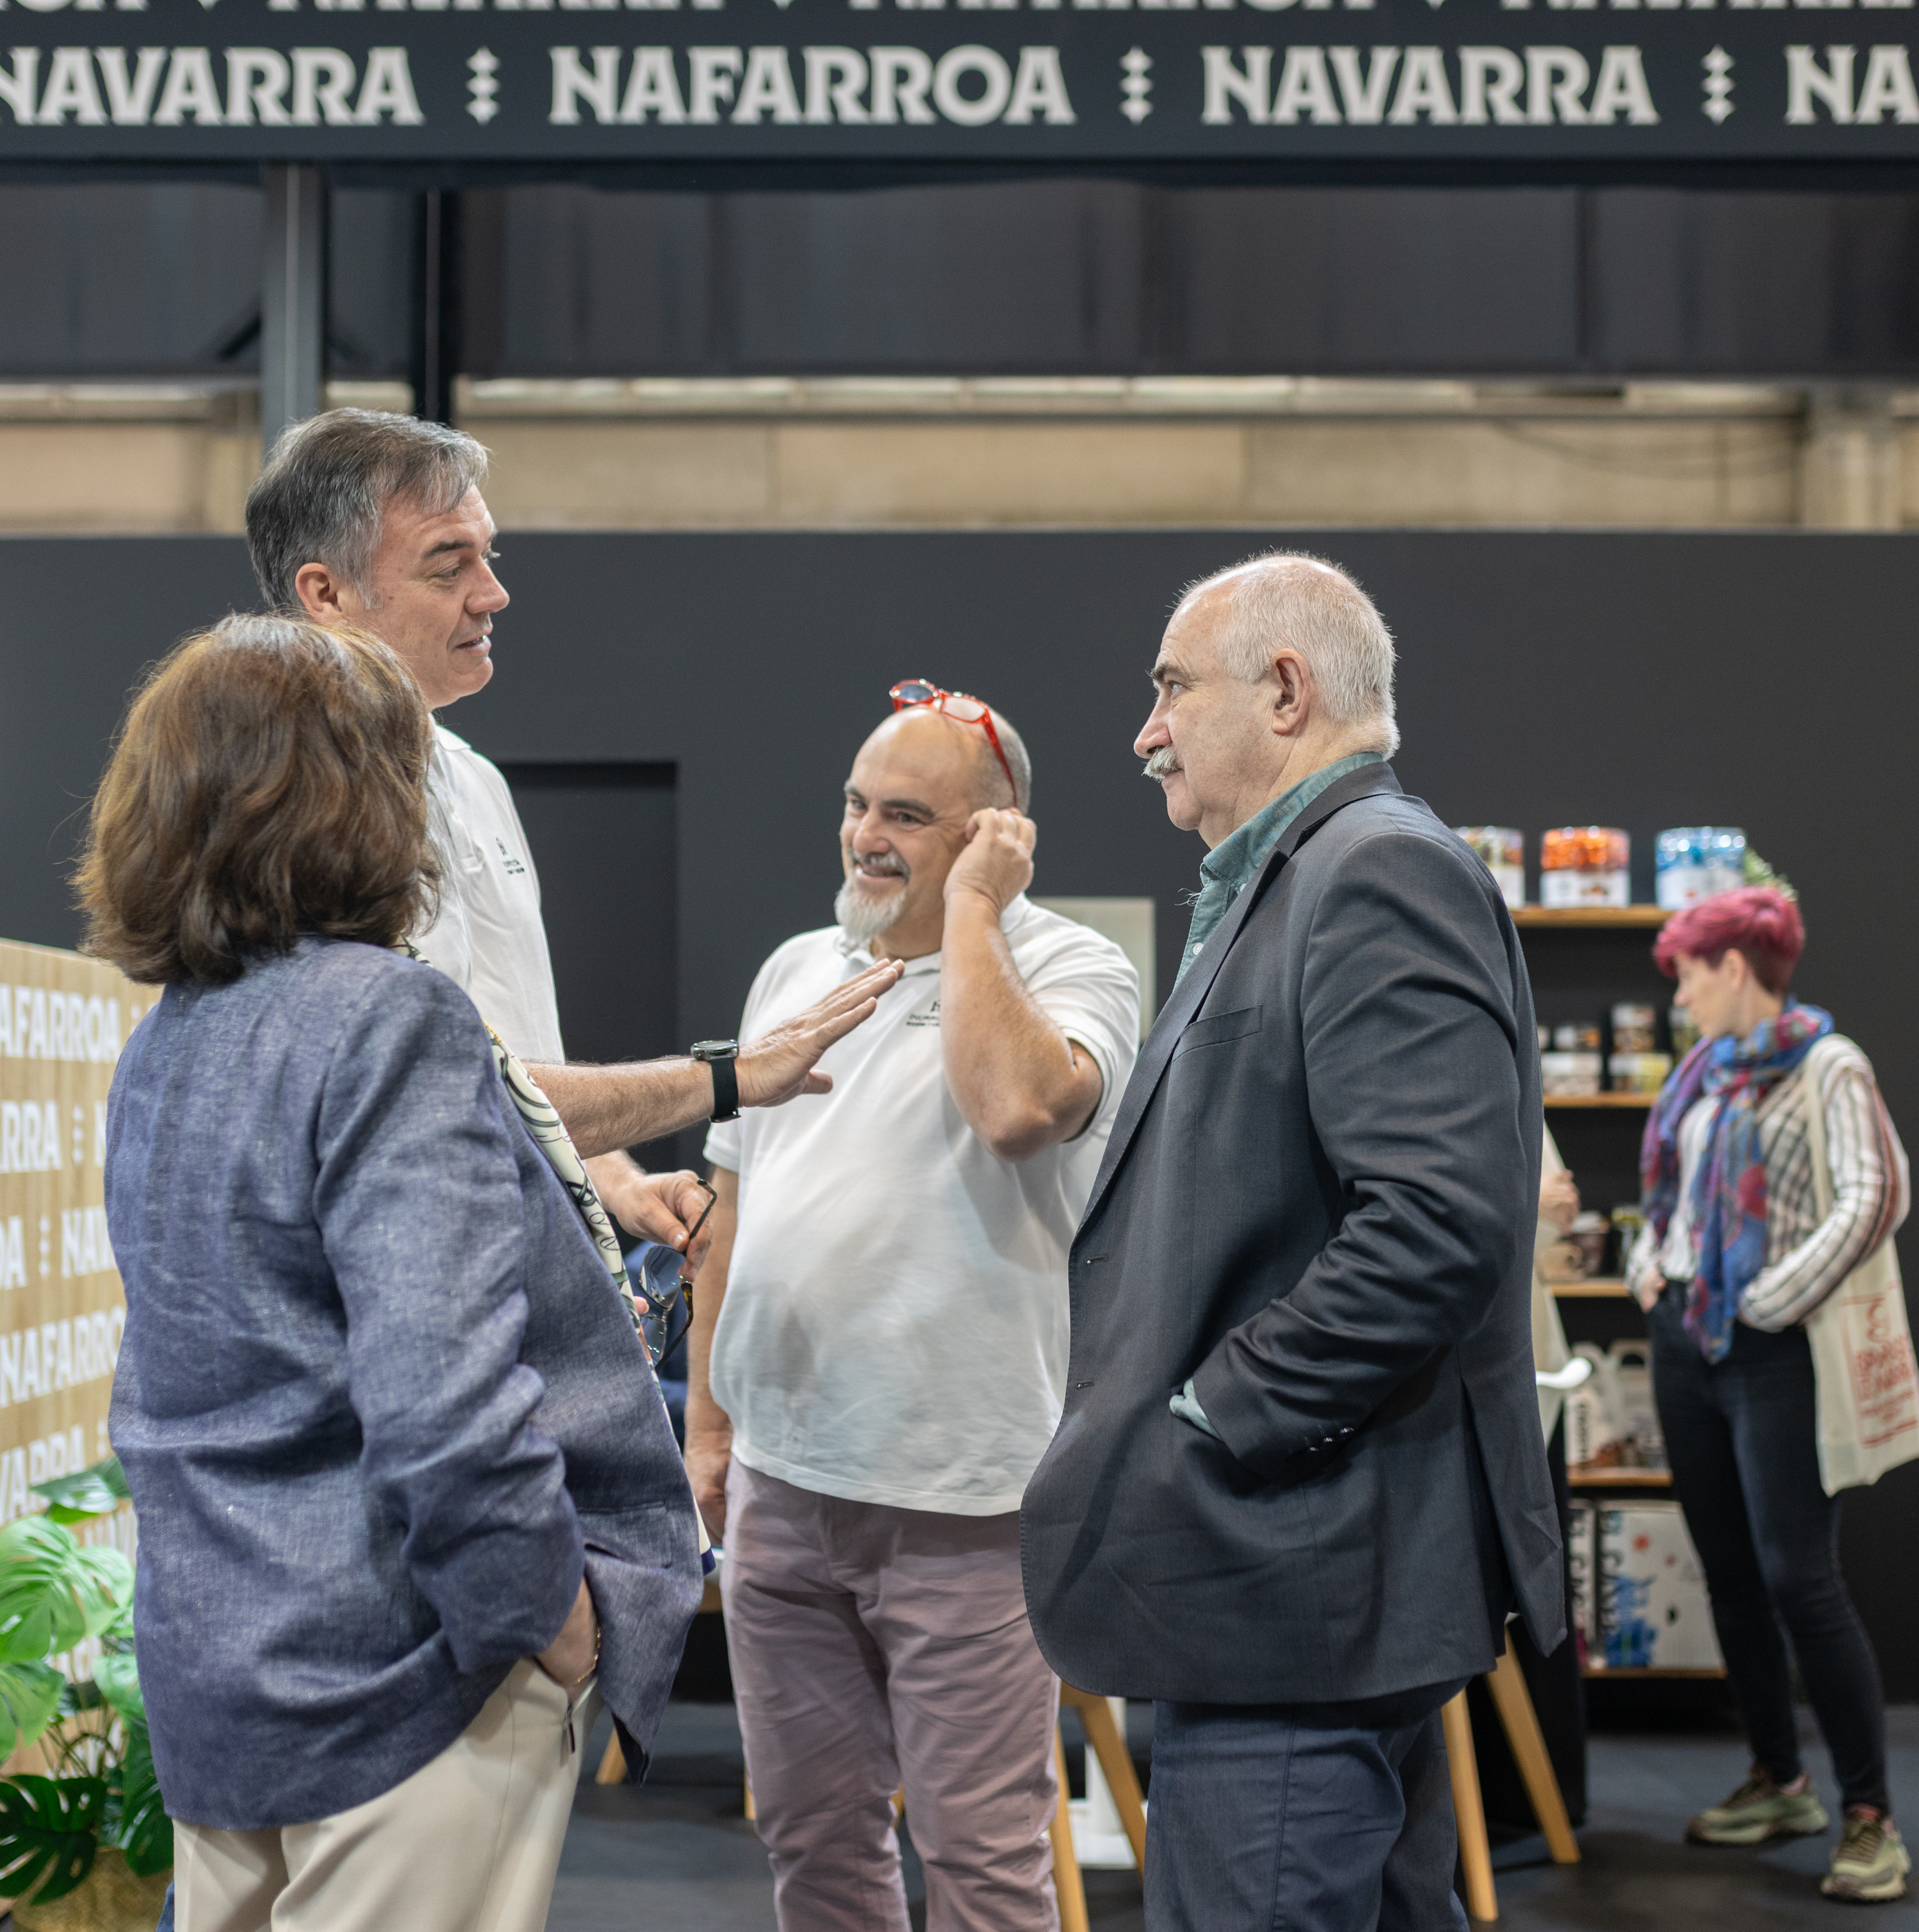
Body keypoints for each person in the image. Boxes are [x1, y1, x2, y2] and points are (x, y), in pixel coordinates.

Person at [81, 613, 704, 1932]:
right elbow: (443, 1399)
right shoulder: (389, 1015)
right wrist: (555, 1623)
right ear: (358, 800)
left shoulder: (171, 1036)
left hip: (220, 1670)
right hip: (409, 1677)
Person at [1021, 553, 1566, 1932]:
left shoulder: (1373, 872)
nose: (1145, 730)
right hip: (1300, 1586)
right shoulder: (1309, 874)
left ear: (1284, 687)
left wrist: (1220, 1413)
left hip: (1292, 1585)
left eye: (1168, 687)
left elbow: (1438, 1221)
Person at [683, 685, 1142, 1932]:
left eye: (907, 814)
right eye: (854, 803)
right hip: (785, 1492)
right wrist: (711, 1433)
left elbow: (1015, 1109)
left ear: (997, 830)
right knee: (813, 1844)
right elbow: (732, 1205)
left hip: (965, 1510)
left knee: (982, 1861)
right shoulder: (796, 968)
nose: (865, 835)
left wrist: (977, 910)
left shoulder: (1074, 968)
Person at [244, 408, 900, 1261]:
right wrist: (727, 1076)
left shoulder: (471, 775)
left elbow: (511, 1054)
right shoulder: (292, 807)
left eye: (489, 556)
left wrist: (614, 1181)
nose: (493, 592)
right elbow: (437, 1090)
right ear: (325, 593)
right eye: (450, 567)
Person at [1623, 885, 1914, 1904]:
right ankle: (1780, 1779)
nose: (1683, 998)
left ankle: (1872, 1816)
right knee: (1732, 1574)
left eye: (1690, 976)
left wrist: (1772, 1297)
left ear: (1735, 967)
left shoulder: (1829, 1066)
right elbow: (1669, 1190)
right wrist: (1650, 1263)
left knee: (1801, 1577)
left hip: (1772, 1353)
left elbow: (1878, 1193)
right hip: (1687, 1344)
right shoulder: (1703, 1073)